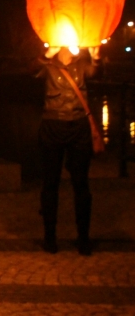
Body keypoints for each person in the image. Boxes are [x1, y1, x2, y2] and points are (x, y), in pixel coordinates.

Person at [36, 44, 102, 256]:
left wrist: (96, 58)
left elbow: (95, 72)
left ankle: (83, 238)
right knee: (50, 183)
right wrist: (47, 54)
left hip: (78, 126)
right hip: (52, 125)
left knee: (81, 183)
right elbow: (29, 71)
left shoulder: (82, 64)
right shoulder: (48, 65)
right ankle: (50, 238)